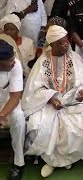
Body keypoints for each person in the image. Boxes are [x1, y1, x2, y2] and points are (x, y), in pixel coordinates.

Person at [21, 25, 83, 177]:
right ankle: (52, 161)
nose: (66, 45)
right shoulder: (43, 61)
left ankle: (66, 159)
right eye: (61, 43)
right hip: (48, 102)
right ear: (52, 44)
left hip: (73, 101)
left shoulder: (75, 57)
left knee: (78, 123)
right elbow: (35, 89)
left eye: (66, 41)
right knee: (39, 124)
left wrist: (82, 92)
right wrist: (52, 98)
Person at [0, 40, 25, 180]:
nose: (13, 62)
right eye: (9, 61)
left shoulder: (16, 65)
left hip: (8, 103)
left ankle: (18, 163)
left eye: (13, 57)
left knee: (18, 117)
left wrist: (2, 115)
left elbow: (15, 97)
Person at [0, 14, 36, 79]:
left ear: (17, 31)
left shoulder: (28, 43)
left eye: (12, 30)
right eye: (6, 29)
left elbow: (31, 63)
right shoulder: (1, 44)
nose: (8, 32)